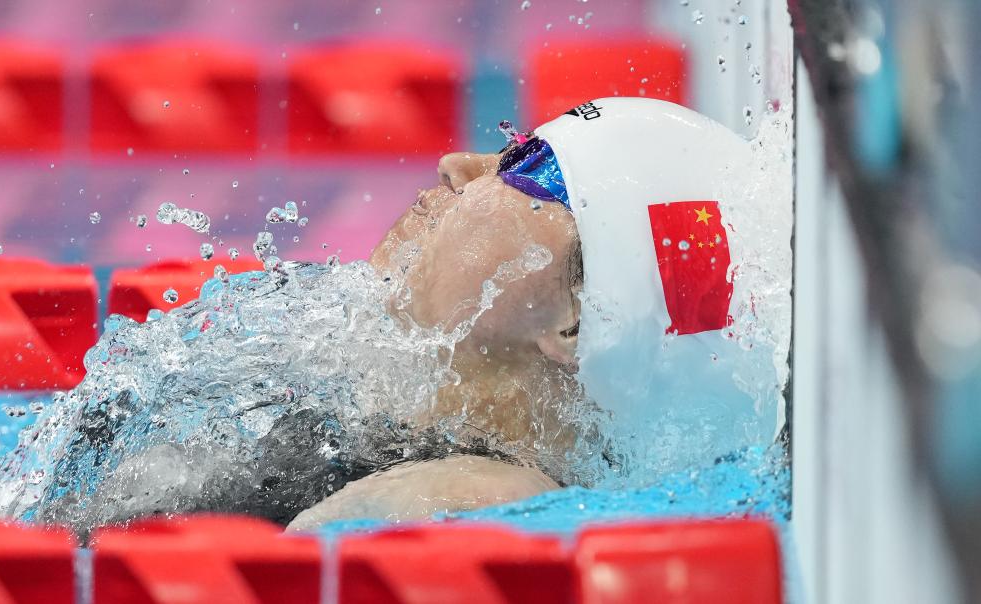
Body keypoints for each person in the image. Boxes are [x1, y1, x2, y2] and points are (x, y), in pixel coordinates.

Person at [288, 96, 777, 530]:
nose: (457, 165)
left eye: (530, 166)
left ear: (575, 323)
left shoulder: (479, 502)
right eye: (519, 145)